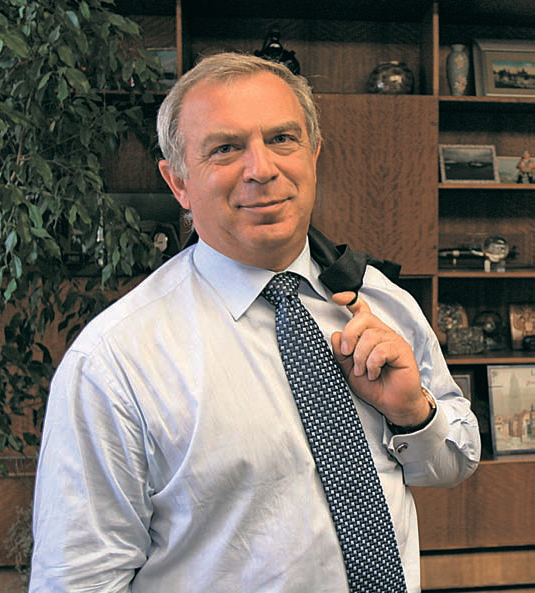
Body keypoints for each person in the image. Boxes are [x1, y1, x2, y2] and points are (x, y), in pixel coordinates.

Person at [29, 52, 481, 593]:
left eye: (282, 139)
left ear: (313, 154)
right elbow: (78, 580)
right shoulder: (113, 363)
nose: (262, 169)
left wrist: (412, 414)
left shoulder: (381, 302)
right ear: (178, 182)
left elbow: (453, 463)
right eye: (225, 148)